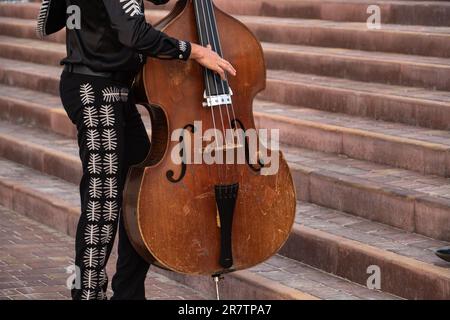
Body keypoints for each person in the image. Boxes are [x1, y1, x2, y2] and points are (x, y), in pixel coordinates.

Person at [36, 0, 236, 300]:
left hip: (116, 89)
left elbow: (46, 23)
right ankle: (87, 295)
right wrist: (195, 51)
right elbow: (134, 34)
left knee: (140, 195)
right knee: (103, 199)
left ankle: (128, 293)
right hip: (94, 88)